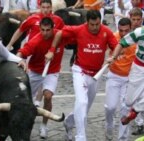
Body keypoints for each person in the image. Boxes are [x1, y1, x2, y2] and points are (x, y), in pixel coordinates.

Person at [45, 10, 118, 141]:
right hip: (80, 71)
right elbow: (60, 33)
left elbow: (117, 46)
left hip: (96, 74)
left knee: (84, 108)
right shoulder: (78, 29)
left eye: (97, 24)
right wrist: (51, 50)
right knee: (82, 102)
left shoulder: (106, 31)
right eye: (92, 24)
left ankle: (69, 123)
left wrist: (114, 56)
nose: (95, 27)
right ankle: (81, 137)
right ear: (87, 22)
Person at [17, 17, 73, 139]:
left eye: (48, 30)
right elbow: (21, 52)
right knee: (25, 99)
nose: (45, 33)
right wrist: (20, 59)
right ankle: (24, 123)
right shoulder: (35, 41)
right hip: (35, 72)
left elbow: (77, 35)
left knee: (48, 96)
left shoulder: (61, 35)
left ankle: (44, 125)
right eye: (42, 30)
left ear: (53, 28)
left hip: (52, 72)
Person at [105, 17, 136, 140]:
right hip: (114, 76)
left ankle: (123, 138)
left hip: (129, 78)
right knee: (110, 107)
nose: (123, 34)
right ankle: (108, 125)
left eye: (126, 31)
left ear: (131, 29)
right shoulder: (113, 37)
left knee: (125, 108)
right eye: (121, 30)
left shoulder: (136, 39)